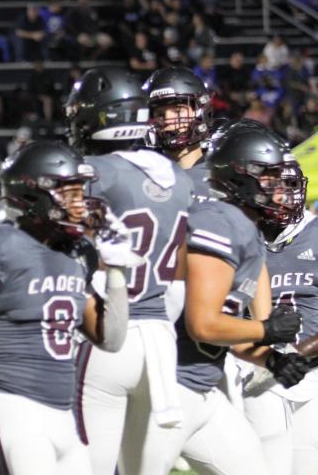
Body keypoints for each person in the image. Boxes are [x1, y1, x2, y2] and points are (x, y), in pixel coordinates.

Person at [0, 140, 131, 475]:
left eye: (81, 193)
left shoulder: (77, 254)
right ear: (34, 196)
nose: (82, 205)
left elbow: (112, 339)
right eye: (70, 194)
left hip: (65, 416)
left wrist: (117, 269)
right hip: (12, 408)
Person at [152, 122, 310, 474]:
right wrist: (266, 330)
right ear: (239, 180)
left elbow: (229, 326)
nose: (280, 190)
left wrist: (271, 360)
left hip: (199, 384)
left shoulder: (245, 229)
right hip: (162, 384)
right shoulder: (217, 221)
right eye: (269, 178)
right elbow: (203, 324)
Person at [66, 67, 195, 475]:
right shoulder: (177, 176)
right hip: (160, 338)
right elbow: (180, 270)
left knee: (90, 466)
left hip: (107, 330)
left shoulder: (89, 173)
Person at [240, 150, 317, 474]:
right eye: (270, 186)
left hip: (311, 370)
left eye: (287, 185)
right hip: (255, 367)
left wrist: (300, 354)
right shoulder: (239, 236)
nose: (280, 196)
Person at [143, 67, 215, 202]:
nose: (168, 121)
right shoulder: (144, 177)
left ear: (201, 112)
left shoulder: (221, 179)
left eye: (178, 111)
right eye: (160, 114)